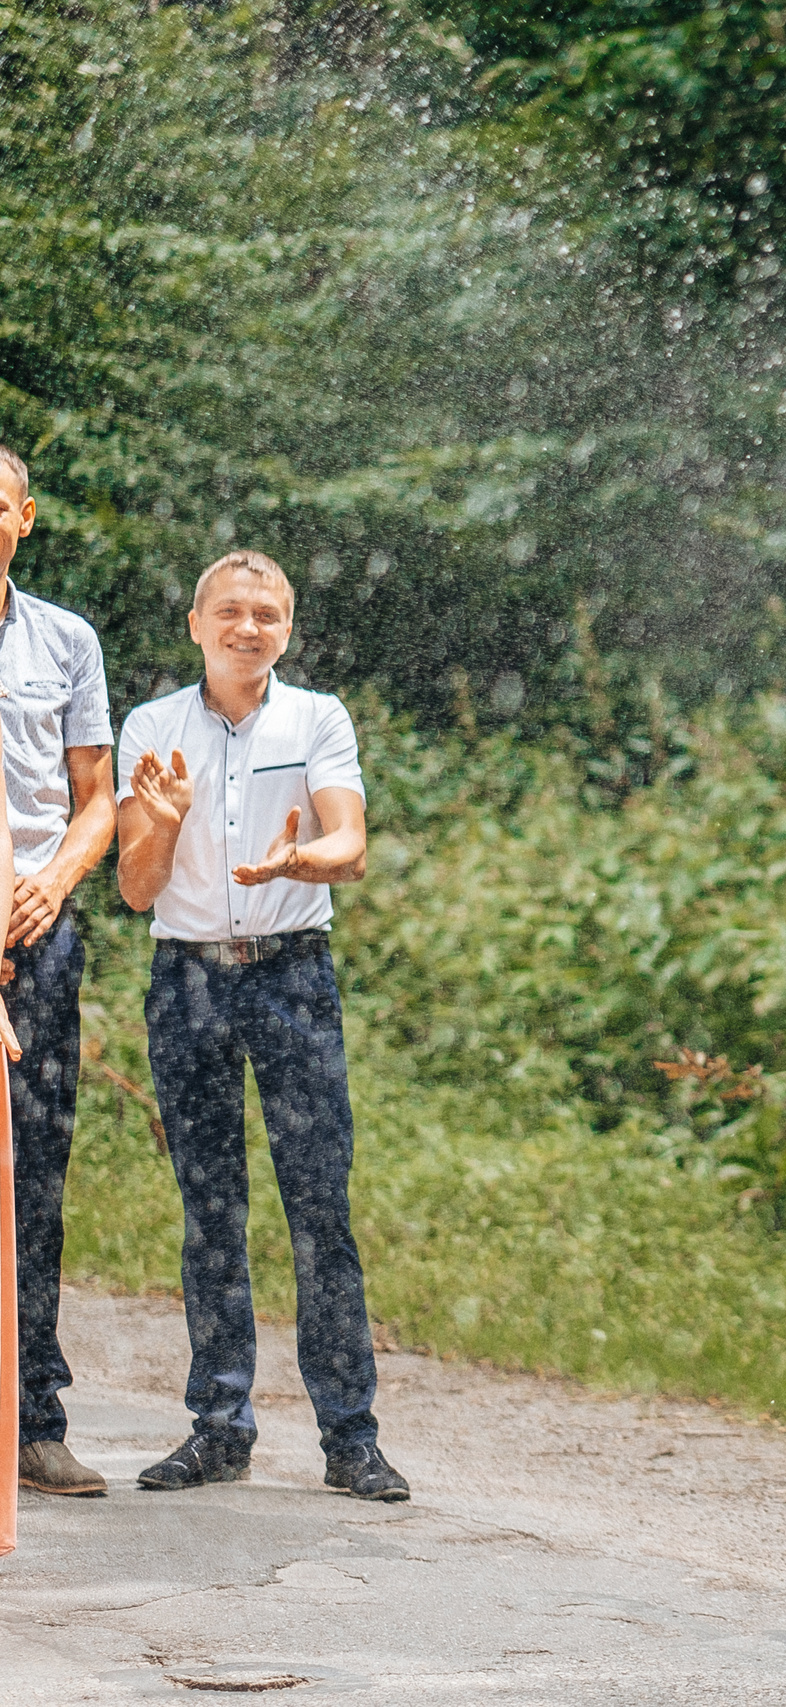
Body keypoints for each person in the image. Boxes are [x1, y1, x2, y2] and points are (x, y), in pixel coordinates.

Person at [114, 550, 407, 1501]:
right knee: (211, 1211)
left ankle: (350, 1435)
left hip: (291, 978)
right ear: (195, 625)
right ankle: (219, 1425)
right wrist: (161, 820)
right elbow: (134, 887)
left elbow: (349, 844)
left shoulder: (315, 715)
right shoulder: (153, 727)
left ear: (289, 629)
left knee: (321, 1207)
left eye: (267, 615)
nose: (249, 628)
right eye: (230, 612)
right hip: (188, 979)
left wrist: (297, 861)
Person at [0, 446, 117, 1502]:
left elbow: (98, 799)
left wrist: (54, 883)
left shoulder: (64, 641)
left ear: (25, 517)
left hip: (34, 939)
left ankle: (33, 1423)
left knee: (34, 1181)